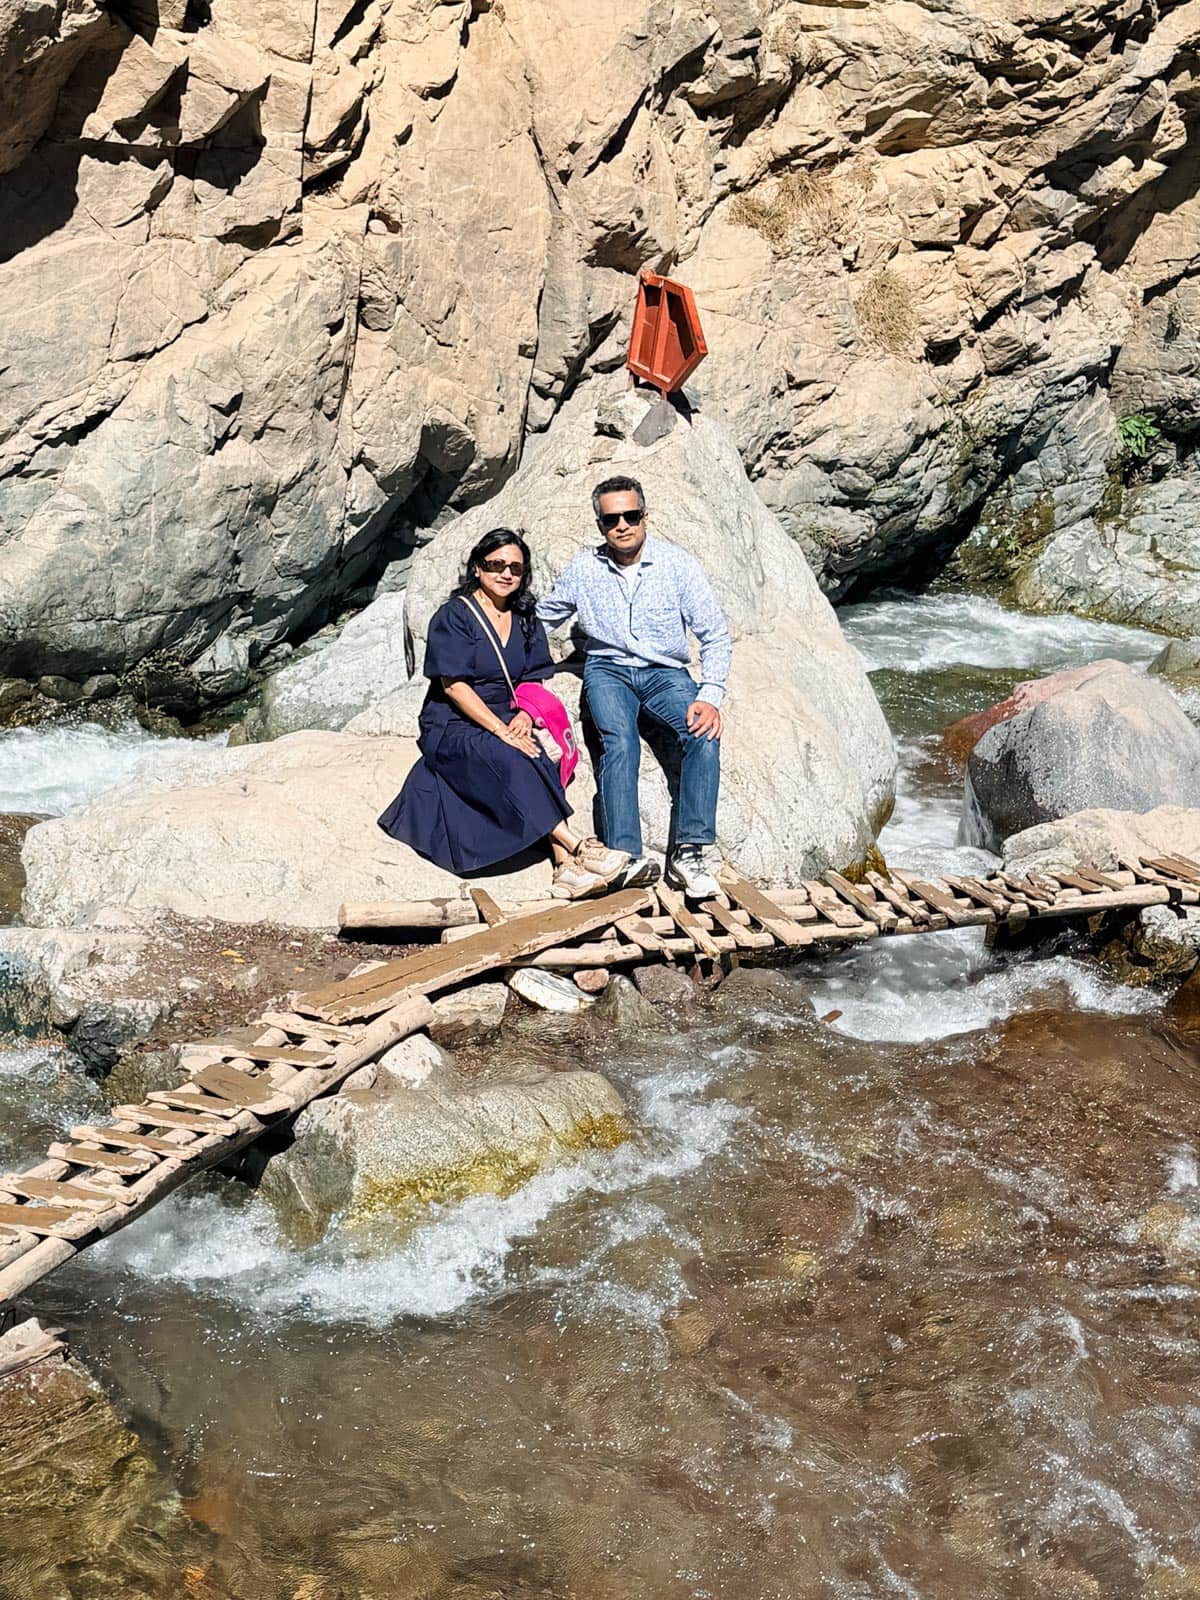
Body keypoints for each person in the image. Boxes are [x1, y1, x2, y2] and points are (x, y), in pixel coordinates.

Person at [378, 528, 631, 899]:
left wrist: (526, 717)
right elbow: (454, 686)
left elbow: (532, 676)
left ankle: (564, 870)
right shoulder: (455, 616)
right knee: (511, 758)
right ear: (477, 568)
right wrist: (501, 730)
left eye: (515, 567)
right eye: (495, 564)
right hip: (454, 721)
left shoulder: (525, 617)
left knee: (540, 756)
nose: (506, 573)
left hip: (508, 714)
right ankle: (578, 847)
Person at [537, 475, 731, 900]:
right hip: (608, 670)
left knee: (704, 733)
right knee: (619, 743)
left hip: (665, 673)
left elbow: (714, 634)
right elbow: (543, 618)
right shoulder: (586, 567)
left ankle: (690, 852)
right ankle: (625, 858)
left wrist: (710, 694)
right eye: (611, 519)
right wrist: (491, 654)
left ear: (646, 515)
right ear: (600, 523)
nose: (622, 525)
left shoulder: (677, 564)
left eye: (631, 515)